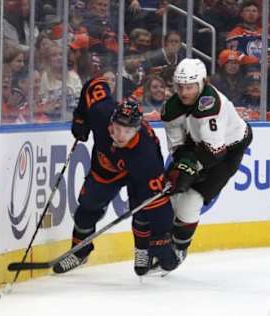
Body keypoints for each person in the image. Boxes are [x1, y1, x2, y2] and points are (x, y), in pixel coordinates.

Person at [54, 77, 178, 276]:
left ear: (136, 129)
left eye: (127, 131)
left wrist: (162, 240)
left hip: (137, 174)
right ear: (111, 120)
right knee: (87, 208)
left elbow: (158, 202)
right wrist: (80, 118)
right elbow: (95, 83)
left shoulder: (145, 156)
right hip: (107, 169)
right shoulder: (100, 112)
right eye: (117, 128)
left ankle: (142, 250)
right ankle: (80, 252)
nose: (120, 135)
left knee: (142, 209)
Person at [161, 58, 253, 265]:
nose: (184, 93)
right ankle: (164, 240)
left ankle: (179, 249)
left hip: (228, 150)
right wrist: (183, 164)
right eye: (180, 87)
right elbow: (178, 146)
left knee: (191, 199)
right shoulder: (171, 109)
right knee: (172, 194)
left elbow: (215, 152)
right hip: (200, 146)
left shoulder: (211, 104)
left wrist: (189, 168)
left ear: (202, 83)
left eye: (190, 87)